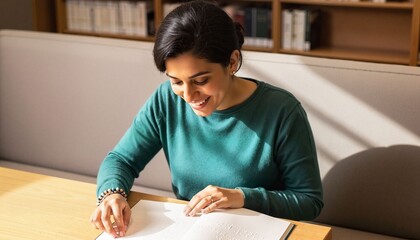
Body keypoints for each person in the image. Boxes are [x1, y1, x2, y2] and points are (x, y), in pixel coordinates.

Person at [90, 0, 323, 238]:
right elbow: (121, 160)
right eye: (176, 81)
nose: (189, 96)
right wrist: (112, 194)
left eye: (200, 80)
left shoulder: (282, 110)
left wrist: (243, 197)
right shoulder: (166, 100)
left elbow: (308, 200)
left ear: (232, 62)